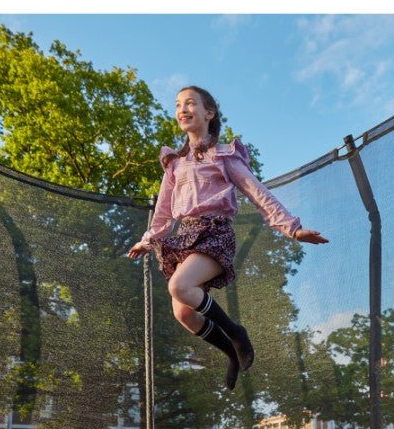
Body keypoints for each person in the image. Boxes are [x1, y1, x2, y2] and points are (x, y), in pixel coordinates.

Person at [127, 86, 328, 390]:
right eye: (178, 104)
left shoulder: (224, 156)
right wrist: (147, 240)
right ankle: (232, 354)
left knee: (179, 286)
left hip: (214, 232)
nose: (183, 109)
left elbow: (258, 193)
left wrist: (292, 228)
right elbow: (164, 212)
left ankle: (236, 332)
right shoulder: (175, 164)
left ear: (208, 113)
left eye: (190, 103)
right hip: (185, 237)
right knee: (183, 312)